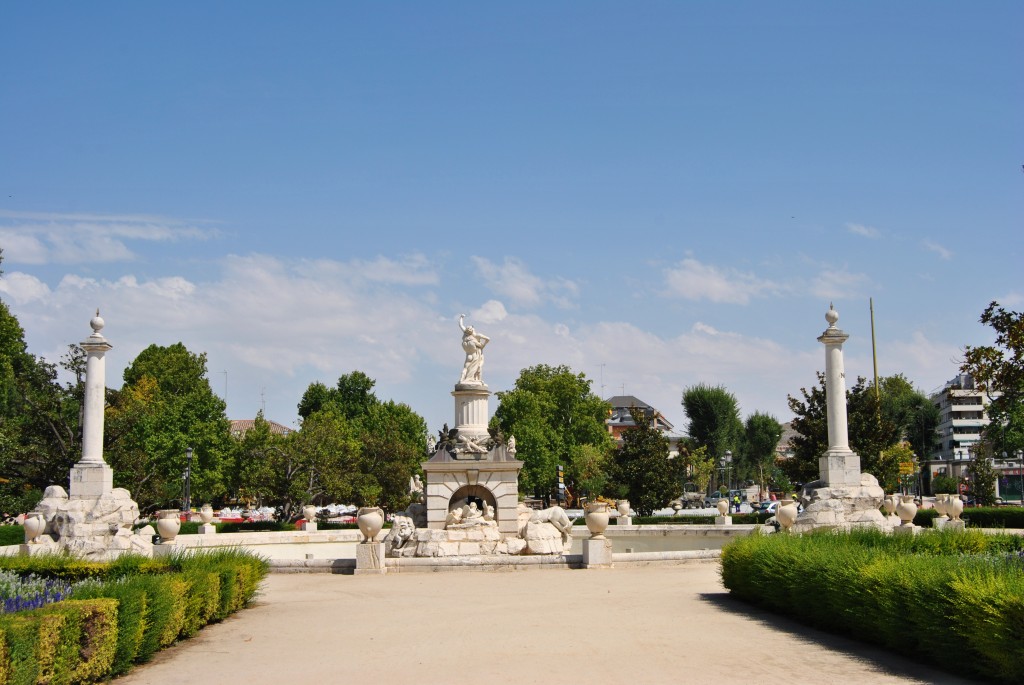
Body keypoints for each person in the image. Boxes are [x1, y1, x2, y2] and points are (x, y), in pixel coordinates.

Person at [458, 314, 490, 384]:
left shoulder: (465, 336)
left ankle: (461, 379)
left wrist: (461, 317)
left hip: (468, 355)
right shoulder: (475, 338)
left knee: (465, 368)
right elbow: (486, 341)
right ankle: (475, 379)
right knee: (477, 367)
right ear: (472, 330)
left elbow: (460, 325)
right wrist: (484, 342)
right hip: (474, 355)